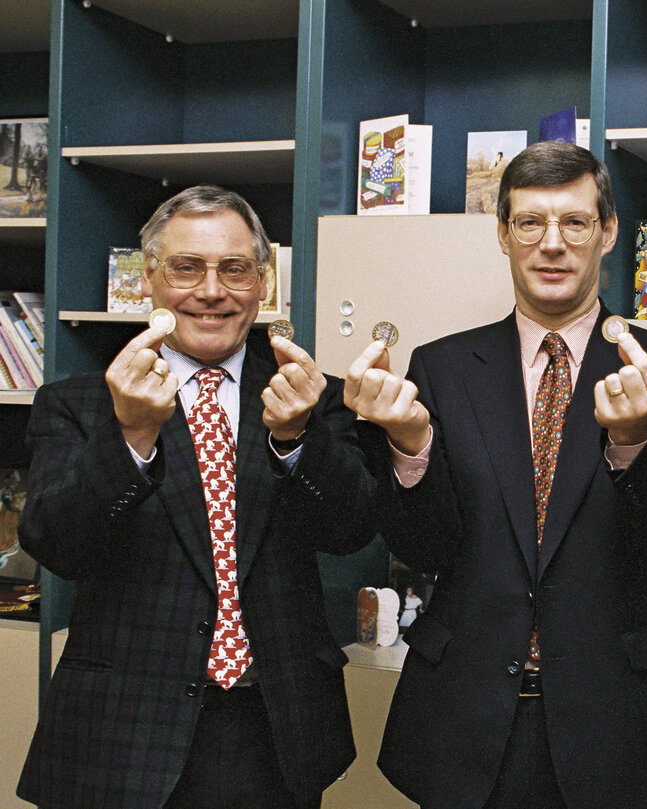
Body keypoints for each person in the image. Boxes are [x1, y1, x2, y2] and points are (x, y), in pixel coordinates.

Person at [345, 141, 647, 809]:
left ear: (608, 232)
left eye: (574, 222)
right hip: (466, 721)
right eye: (530, 222)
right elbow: (424, 549)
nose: (552, 243)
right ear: (503, 235)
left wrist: (633, 443)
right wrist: (410, 444)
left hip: (614, 722)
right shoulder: (444, 367)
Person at [17, 185, 378, 809]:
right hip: (121, 733)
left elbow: (349, 530)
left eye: (235, 269)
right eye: (186, 268)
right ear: (150, 278)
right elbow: (58, 546)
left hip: (275, 728)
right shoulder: (79, 403)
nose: (211, 292)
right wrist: (130, 435)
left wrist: (296, 439)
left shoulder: (310, 395)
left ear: (262, 283)